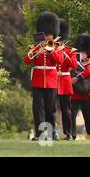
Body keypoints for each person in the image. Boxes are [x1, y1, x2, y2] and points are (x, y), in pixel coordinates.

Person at [24, 12, 64, 141]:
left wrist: (50, 50)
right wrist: (37, 50)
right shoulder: (35, 47)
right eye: (46, 34)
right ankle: (40, 134)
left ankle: (52, 133)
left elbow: (59, 61)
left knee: (50, 108)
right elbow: (26, 60)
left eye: (50, 34)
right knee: (38, 109)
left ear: (53, 34)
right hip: (38, 81)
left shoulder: (57, 48)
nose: (48, 36)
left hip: (51, 81)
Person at [70, 33, 90, 140]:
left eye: (83, 52)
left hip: (87, 93)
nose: (82, 54)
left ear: (87, 53)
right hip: (76, 92)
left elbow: (89, 72)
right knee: (72, 114)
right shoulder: (74, 63)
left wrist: (77, 78)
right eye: (80, 52)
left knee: (88, 115)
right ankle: (72, 134)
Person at [56, 19, 77, 140]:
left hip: (64, 81)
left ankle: (68, 133)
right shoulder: (51, 48)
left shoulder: (70, 51)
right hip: (53, 81)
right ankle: (52, 132)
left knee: (66, 110)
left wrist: (65, 55)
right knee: (51, 109)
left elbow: (74, 64)